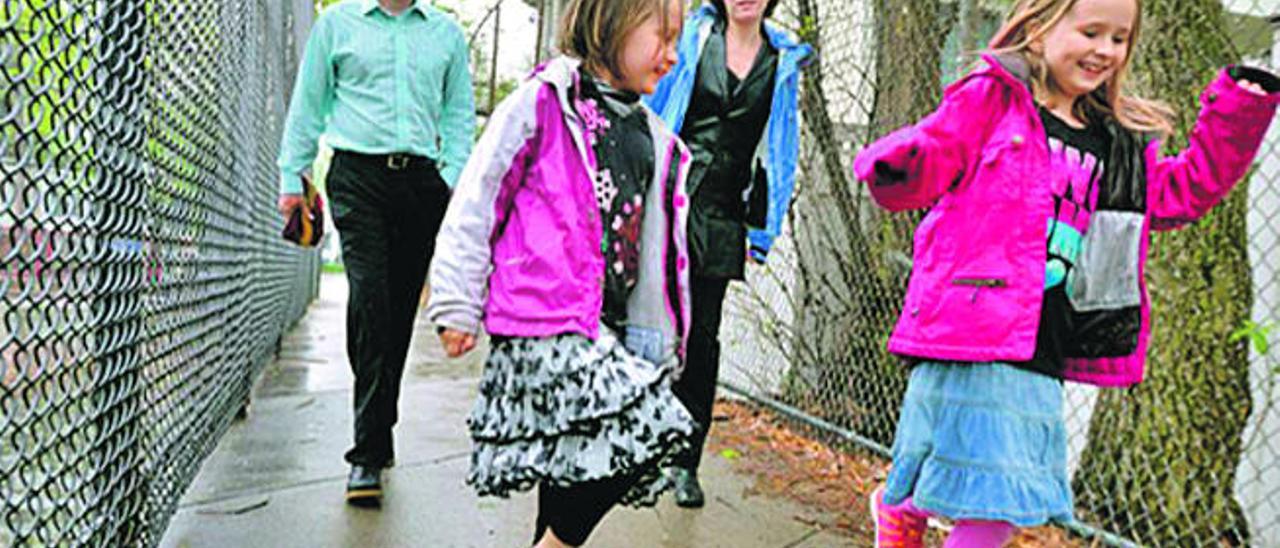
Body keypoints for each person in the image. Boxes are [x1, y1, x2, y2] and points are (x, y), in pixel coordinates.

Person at [851, 0, 1279, 545]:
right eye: (1091, 31)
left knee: (972, 470)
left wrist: (1240, 111)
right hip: (976, 328)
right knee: (992, 502)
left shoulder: (1117, 142)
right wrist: (896, 162)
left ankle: (902, 508)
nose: (1105, 49)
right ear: (1038, 31)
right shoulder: (994, 100)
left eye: (1119, 39)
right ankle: (904, 508)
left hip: (1044, 338)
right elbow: (939, 151)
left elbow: (1179, 194)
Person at [425, 0, 696, 545]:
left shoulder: (652, 136)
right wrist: (456, 301)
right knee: (654, 427)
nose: (671, 57)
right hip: (542, 320)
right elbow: (480, 195)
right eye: (662, 38)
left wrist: (660, 340)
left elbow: (659, 255)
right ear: (612, 21)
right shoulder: (544, 102)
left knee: (571, 469)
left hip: (607, 325)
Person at [275, 0, 475, 506]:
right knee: (370, 298)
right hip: (356, 178)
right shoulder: (337, 26)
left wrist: (452, 180)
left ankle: (379, 424)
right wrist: (291, 178)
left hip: (422, 184)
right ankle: (367, 452)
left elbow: (457, 116)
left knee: (399, 311)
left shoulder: (446, 35)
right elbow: (308, 104)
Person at [644, 0, 810, 508]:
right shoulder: (692, 38)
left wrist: (763, 228)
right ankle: (642, 448)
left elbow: (779, 148)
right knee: (653, 326)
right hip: (669, 199)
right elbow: (654, 110)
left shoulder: (782, 62)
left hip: (722, 213)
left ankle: (684, 461)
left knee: (702, 339)